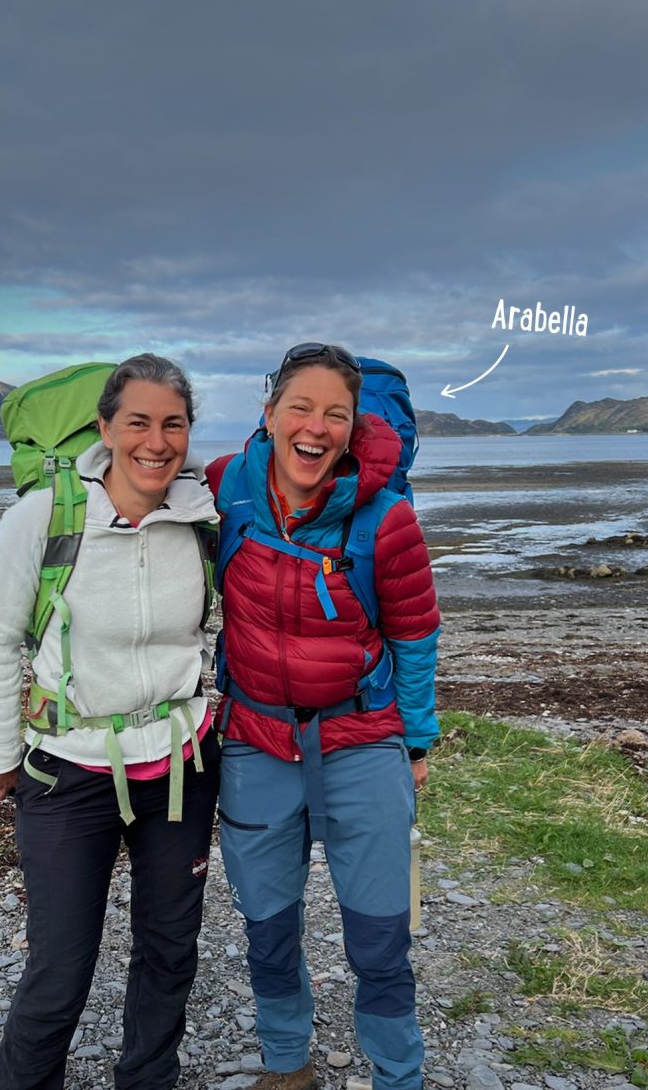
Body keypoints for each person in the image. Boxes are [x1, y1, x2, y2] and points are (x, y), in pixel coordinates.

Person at [0, 354, 221, 1090]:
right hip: (68, 768)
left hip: (181, 764)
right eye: (138, 422)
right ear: (105, 428)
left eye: (173, 424)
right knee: (60, 967)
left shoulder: (204, 517)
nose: (156, 441)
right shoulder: (44, 517)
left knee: (170, 950)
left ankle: (148, 1080)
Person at [207, 343, 440, 1090]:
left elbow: (415, 636)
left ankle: (398, 1076)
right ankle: (287, 1065)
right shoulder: (226, 489)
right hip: (255, 739)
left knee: (380, 939)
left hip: (362, 739)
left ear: (354, 427)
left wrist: (416, 743)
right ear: (269, 414)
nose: (315, 427)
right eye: (300, 408)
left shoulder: (387, 519)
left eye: (335, 414)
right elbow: (134, 488)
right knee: (268, 929)